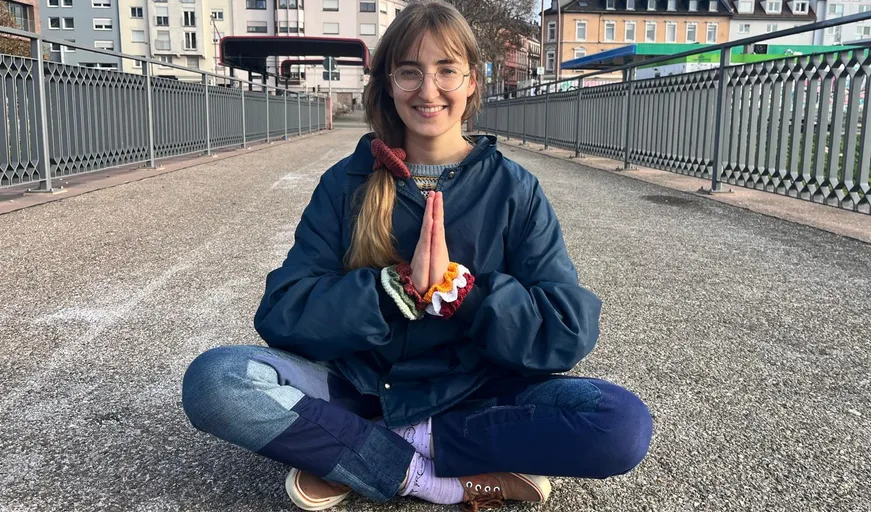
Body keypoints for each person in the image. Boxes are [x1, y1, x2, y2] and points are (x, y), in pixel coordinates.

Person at [181, 1, 652, 510]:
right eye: (410, 72)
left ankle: (359, 447)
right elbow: (282, 313)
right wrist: (391, 292)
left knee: (619, 425)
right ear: (388, 83)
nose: (428, 91)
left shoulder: (514, 189)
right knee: (216, 380)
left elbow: (565, 330)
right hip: (359, 386)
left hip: (475, 391)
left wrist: (467, 296)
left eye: (447, 70)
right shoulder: (346, 182)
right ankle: (431, 477)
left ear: (472, 81)